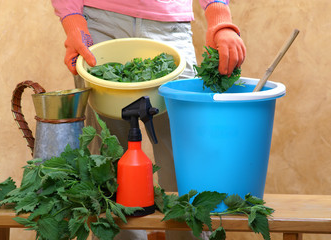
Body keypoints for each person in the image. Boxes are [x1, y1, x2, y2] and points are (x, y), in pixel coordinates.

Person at [51, 1, 246, 239]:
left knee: (184, 167)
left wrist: (219, 17)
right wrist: (74, 23)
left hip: (169, 29)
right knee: (108, 171)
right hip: (101, 26)